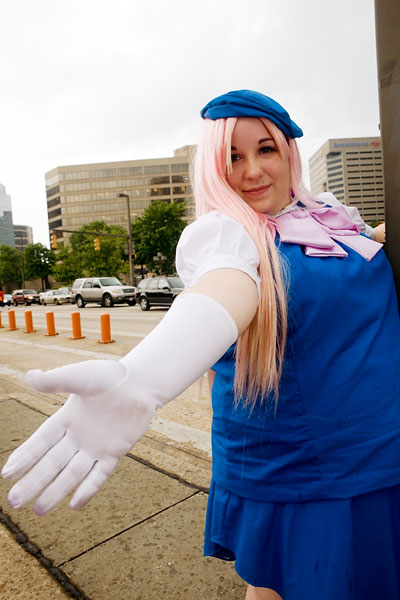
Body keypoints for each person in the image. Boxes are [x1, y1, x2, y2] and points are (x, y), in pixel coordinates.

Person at [2, 90, 400, 600]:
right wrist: (146, 378)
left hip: (381, 446)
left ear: (288, 152)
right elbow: (225, 286)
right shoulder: (226, 235)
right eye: (232, 157)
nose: (252, 171)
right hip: (309, 465)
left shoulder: (331, 215)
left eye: (265, 149)